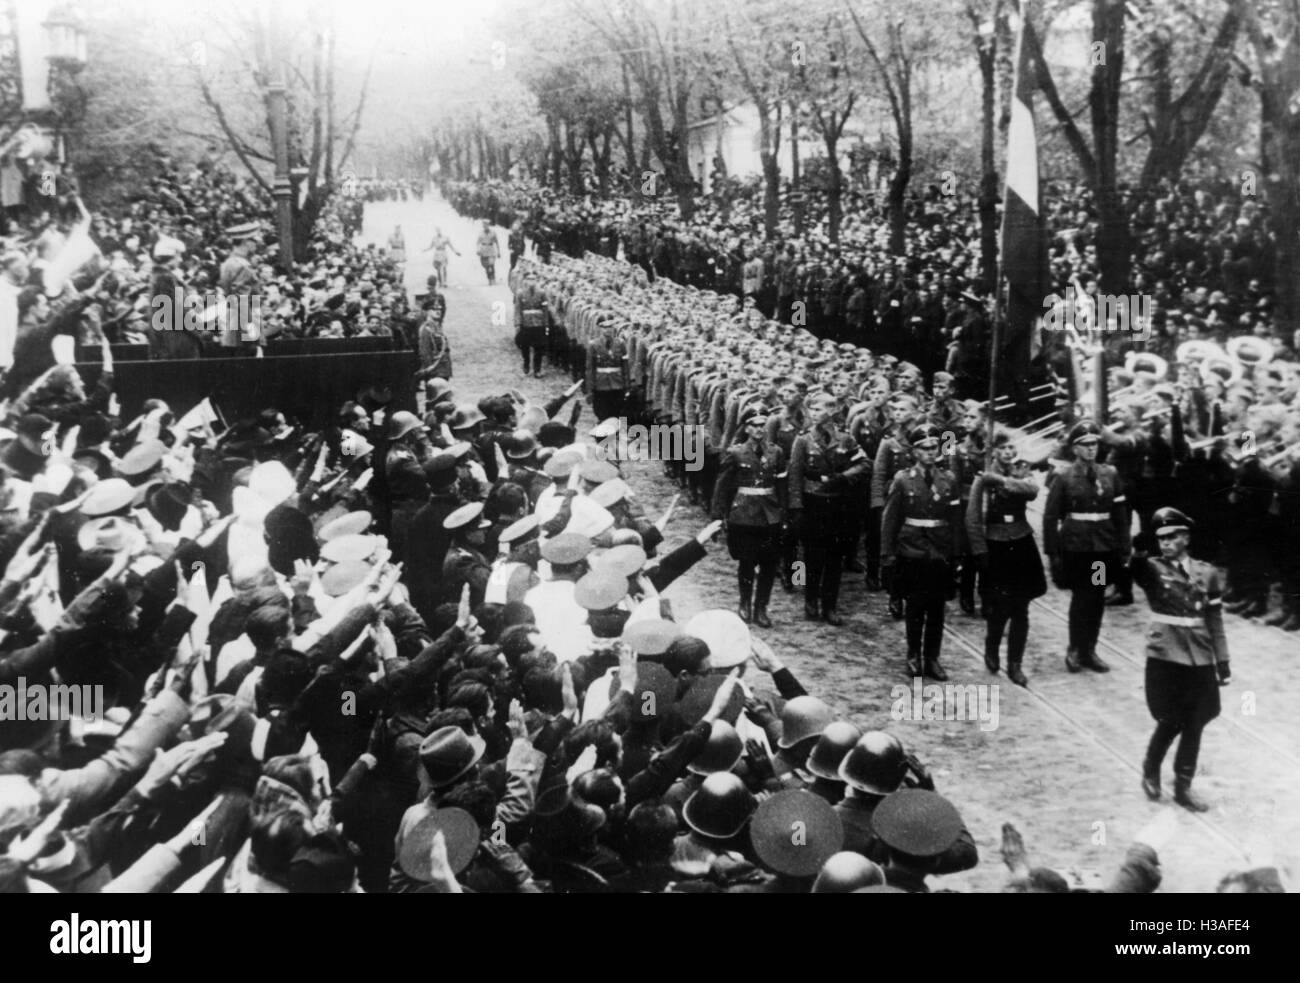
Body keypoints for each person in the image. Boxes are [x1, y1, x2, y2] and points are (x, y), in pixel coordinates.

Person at [1131, 507, 1230, 812]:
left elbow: (1214, 618)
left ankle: (1183, 785)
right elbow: (1133, 570)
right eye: (1161, 538)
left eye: (1172, 536)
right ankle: (1151, 766)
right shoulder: (1152, 568)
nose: (1166, 543)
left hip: (1199, 655)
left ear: (1186, 537)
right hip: (1165, 654)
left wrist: (1222, 660)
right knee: (1170, 717)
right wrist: (1137, 551)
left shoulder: (1207, 572)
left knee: (1198, 719)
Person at [1043, 420, 1130, 674]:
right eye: (1085, 445)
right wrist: (1053, 553)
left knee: (1096, 596)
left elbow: (1120, 514)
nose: (1092, 449)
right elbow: (1050, 518)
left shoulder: (1110, 474)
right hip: (1076, 548)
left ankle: (1090, 649)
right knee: (1081, 597)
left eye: (1094, 444)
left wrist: (1124, 546)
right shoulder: (1064, 476)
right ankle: (1075, 648)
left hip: (1101, 550)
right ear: (1075, 449)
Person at [881, 423, 961, 680]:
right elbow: (890, 519)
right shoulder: (903, 479)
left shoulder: (948, 479)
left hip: (939, 552)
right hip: (911, 551)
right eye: (923, 448)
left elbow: (955, 520)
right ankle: (913, 654)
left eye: (933, 448)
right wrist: (888, 553)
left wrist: (957, 554)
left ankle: (932, 658)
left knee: (937, 609)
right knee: (915, 608)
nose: (929, 452)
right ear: (914, 452)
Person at [966, 431, 1045, 686]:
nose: (1009, 453)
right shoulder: (982, 479)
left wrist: (999, 480)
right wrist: (979, 550)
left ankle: (1015, 663)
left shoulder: (1019, 473)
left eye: (1012, 448)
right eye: (1004, 449)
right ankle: (991, 646)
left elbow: (1031, 490)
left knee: (1021, 607)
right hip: (996, 545)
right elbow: (973, 517)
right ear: (995, 452)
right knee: (1000, 606)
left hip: (1021, 542)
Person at [787, 392, 870, 626]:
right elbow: (794, 475)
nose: (813, 413)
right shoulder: (803, 440)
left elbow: (865, 464)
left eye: (819, 408)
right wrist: (796, 507)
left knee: (835, 558)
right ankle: (809, 599)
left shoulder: (845, 439)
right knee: (811, 556)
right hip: (812, 502)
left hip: (837, 504)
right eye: (811, 409)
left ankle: (830, 606)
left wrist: (843, 477)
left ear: (832, 410)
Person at [711, 405, 785, 628]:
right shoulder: (736, 453)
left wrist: (786, 513)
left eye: (763, 425)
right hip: (743, 515)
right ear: (746, 428)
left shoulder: (776, 452)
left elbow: (781, 485)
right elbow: (722, 487)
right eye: (755, 426)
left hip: (770, 515)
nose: (760, 429)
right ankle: (745, 602)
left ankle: (761, 606)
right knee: (747, 561)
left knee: (770, 563)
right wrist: (718, 515)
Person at [476, 221, 501, 286]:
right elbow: (478, 243)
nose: (485, 227)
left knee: (491, 265)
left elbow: (497, 242)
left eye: (486, 225)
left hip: (491, 250)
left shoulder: (493, 233)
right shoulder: (481, 233)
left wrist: (498, 252)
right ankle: (489, 278)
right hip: (483, 250)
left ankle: (492, 279)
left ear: (488, 225)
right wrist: (478, 250)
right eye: (484, 225)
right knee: (486, 266)